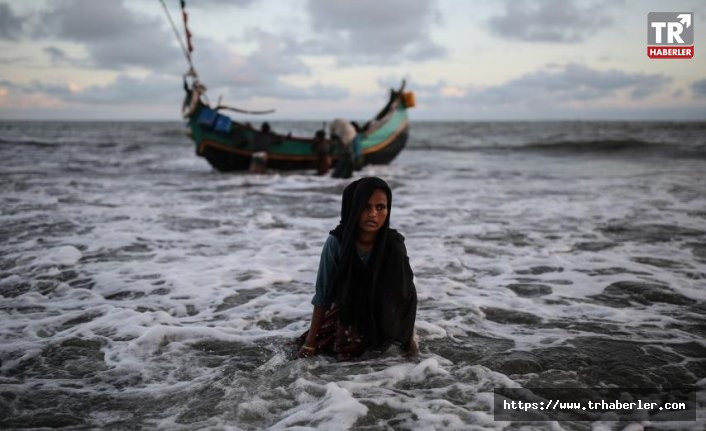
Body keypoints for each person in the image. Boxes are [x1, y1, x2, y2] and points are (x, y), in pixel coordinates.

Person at [296, 177, 418, 361]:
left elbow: (405, 295)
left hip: (384, 316)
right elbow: (323, 295)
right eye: (365, 206)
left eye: (380, 207)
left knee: (387, 359)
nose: (373, 214)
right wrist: (310, 343)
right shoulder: (337, 243)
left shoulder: (394, 246)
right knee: (338, 356)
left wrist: (409, 339)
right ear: (353, 208)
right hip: (348, 312)